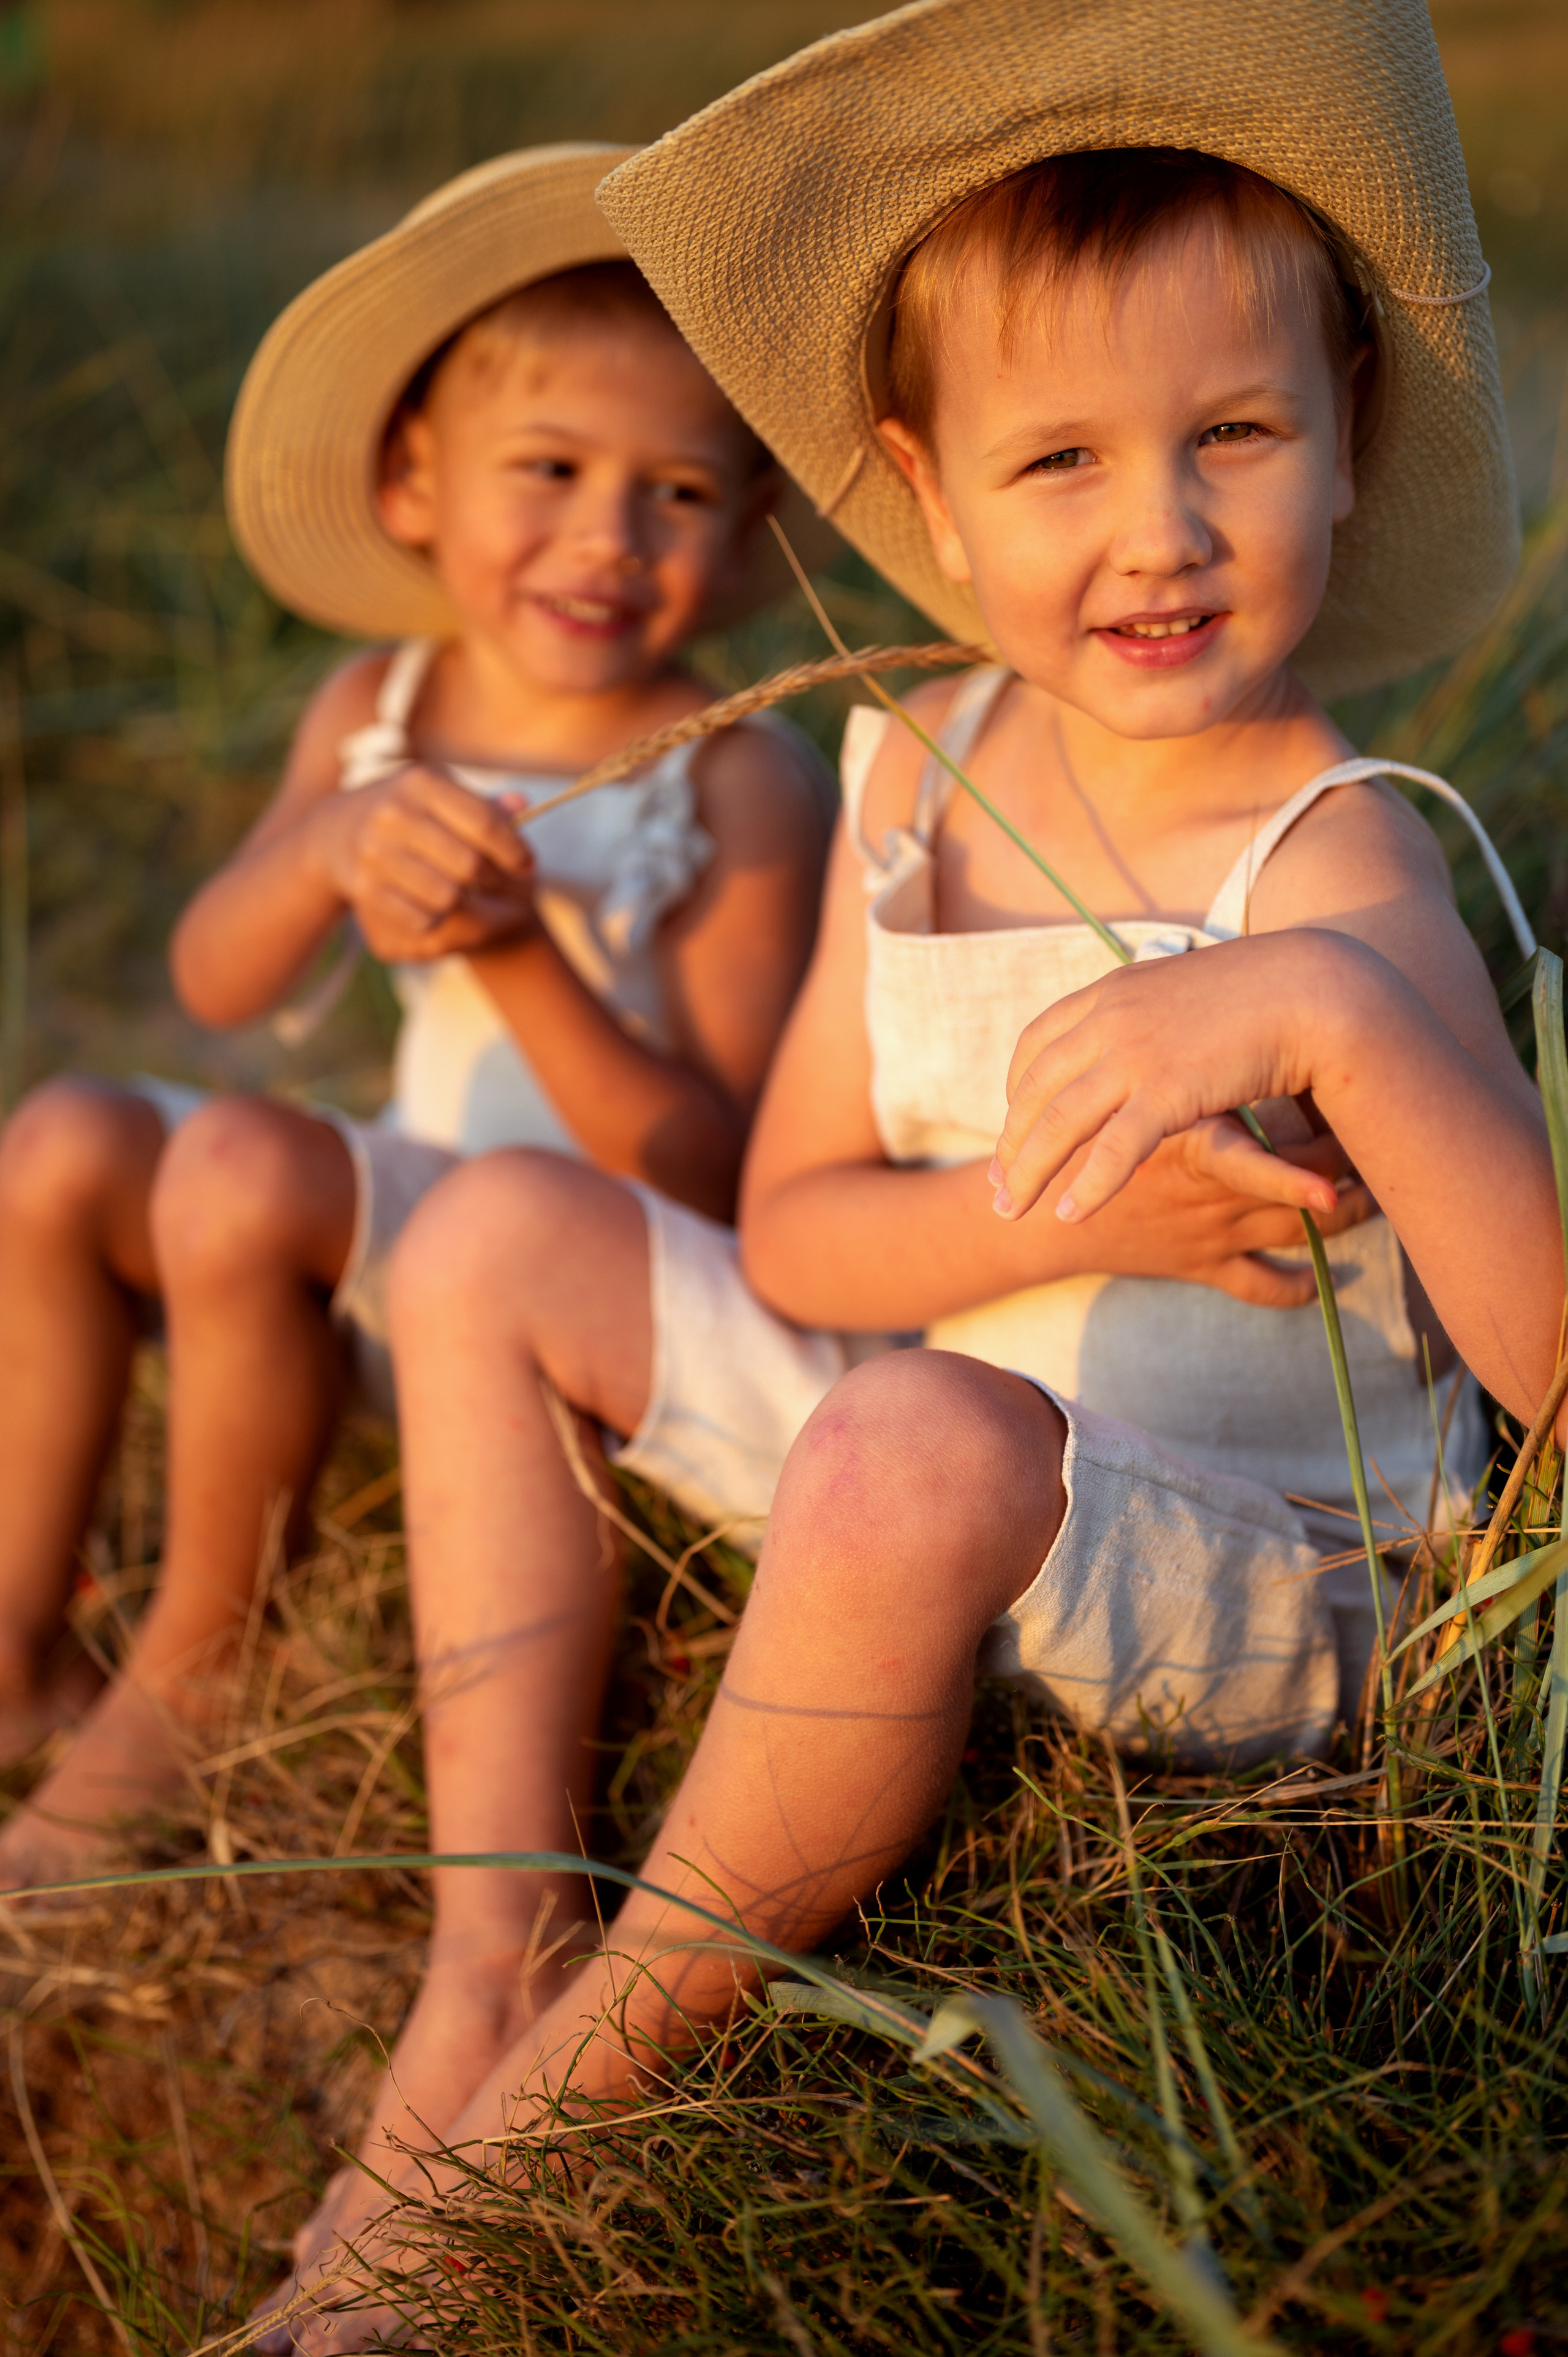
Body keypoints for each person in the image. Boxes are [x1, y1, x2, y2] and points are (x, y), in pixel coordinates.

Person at [254, 3, 1558, 2341]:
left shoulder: (1340, 865)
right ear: (926, 493)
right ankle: (487, 1938)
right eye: (1057, 457)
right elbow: (795, 1228)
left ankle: (570, 2083)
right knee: (503, 1232)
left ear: (1350, 445)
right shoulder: (915, 771)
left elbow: (1548, 1374)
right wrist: (1092, 1216)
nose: (1155, 529)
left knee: (904, 1435)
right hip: (934, 1463)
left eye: (1234, 434)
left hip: (1250, 1577)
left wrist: (1333, 1020)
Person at [0, 145, 833, 1892]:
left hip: (572, 1299)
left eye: (676, 493)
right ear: (413, 482)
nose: (608, 539)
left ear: (750, 523)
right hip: (373, 1250)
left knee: (231, 1161)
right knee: (70, 1136)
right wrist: (321, 840)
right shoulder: (379, 705)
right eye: (549, 469)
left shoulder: (739, 774)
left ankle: (199, 1653)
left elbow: (717, 1162)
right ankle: (16, 1644)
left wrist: (521, 956)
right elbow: (217, 983)